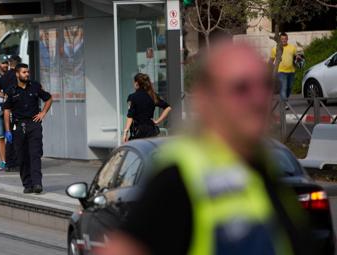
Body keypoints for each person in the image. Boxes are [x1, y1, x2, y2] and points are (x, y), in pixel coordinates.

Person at [106, 41, 314, 255]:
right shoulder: (179, 177)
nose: (259, 98)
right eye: (241, 88)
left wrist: (127, 132)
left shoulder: (264, 166)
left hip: (142, 130)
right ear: (205, 100)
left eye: (266, 85)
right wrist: (156, 121)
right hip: (150, 129)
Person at [3, 63, 52, 194]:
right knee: (22, 156)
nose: (27, 74)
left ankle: (37, 183)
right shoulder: (11, 91)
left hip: (33, 124)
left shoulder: (35, 86)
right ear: (17, 74)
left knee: (35, 154)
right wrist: (7, 130)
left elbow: (48, 98)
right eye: (24, 72)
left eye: (28, 72)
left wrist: (43, 113)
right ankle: (27, 184)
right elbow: (7, 110)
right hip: (18, 126)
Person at [122, 73, 171, 143]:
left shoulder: (132, 97)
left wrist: (125, 132)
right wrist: (158, 121)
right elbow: (168, 108)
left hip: (138, 132)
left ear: (136, 83)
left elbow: (130, 115)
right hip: (151, 131)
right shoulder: (153, 96)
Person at [0, 55, 22, 171]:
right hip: (16, 109)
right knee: (16, 136)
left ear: (10, 63)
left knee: (9, 135)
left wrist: (5, 96)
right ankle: (14, 162)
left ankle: (8, 162)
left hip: (6, 109)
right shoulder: (18, 75)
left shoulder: (4, 77)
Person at [270, 32, 299, 101]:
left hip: (291, 71)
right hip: (281, 71)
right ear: (280, 40)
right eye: (282, 39)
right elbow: (272, 59)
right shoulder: (275, 48)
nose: (284, 40)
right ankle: (284, 104)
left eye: (285, 38)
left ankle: (285, 100)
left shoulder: (292, 47)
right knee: (283, 88)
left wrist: (298, 58)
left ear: (287, 39)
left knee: (289, 88)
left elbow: (297, 56)